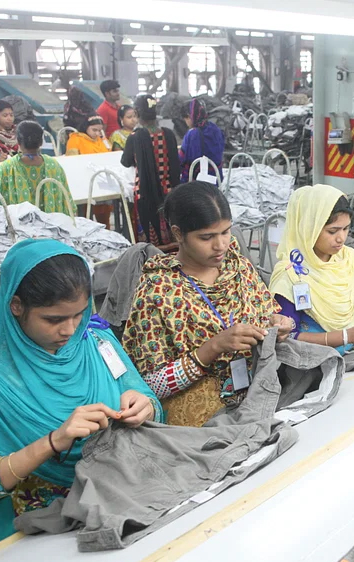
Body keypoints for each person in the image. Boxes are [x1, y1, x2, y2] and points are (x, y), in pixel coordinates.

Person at [0, 239, 162, 562]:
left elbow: (145, 396)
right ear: (15, 306)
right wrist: (53, 441)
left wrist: (145, 405)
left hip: (121, 498)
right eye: (53, 319)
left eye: (79, 313)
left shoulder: (96, 342)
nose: (69, 329)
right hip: (45, 522)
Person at [123, 182, 292, 427]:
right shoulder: (158, 290)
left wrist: (280, 325)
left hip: (260, 397)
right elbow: (149, 386)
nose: (221, 245)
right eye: (207, 237)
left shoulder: (238, 267)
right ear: (178, 234)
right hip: (200, 422)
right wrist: (212, 348)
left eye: (226, 232)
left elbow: (268, 314)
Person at [269, 184, 354, 351]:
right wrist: (347, 336)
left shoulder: (352, 260)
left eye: (346, 229)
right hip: (315, 359)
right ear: (309, 229)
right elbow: (288, 337)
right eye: (332, 231)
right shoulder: (291, 273)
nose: (341, 238)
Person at [120, 94, 180, 245]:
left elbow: (126, 162)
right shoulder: (168, 134)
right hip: (169, 191)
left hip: (146, 194)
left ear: (137, 113)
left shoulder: (135, 137)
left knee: (150, 237)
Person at [0, 120, 74, 215]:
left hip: (20, 223)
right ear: (41, 142)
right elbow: (67, 201)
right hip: (50, 222)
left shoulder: (8, 167)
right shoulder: (54, 165)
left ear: (18, 142)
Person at [179, 99, 225, 183]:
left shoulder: (192, 134)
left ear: (190, 117)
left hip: (197, 182)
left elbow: (182, 159)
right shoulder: (215, 129)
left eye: (186, 119)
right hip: (216, 179)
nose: (186, 123)